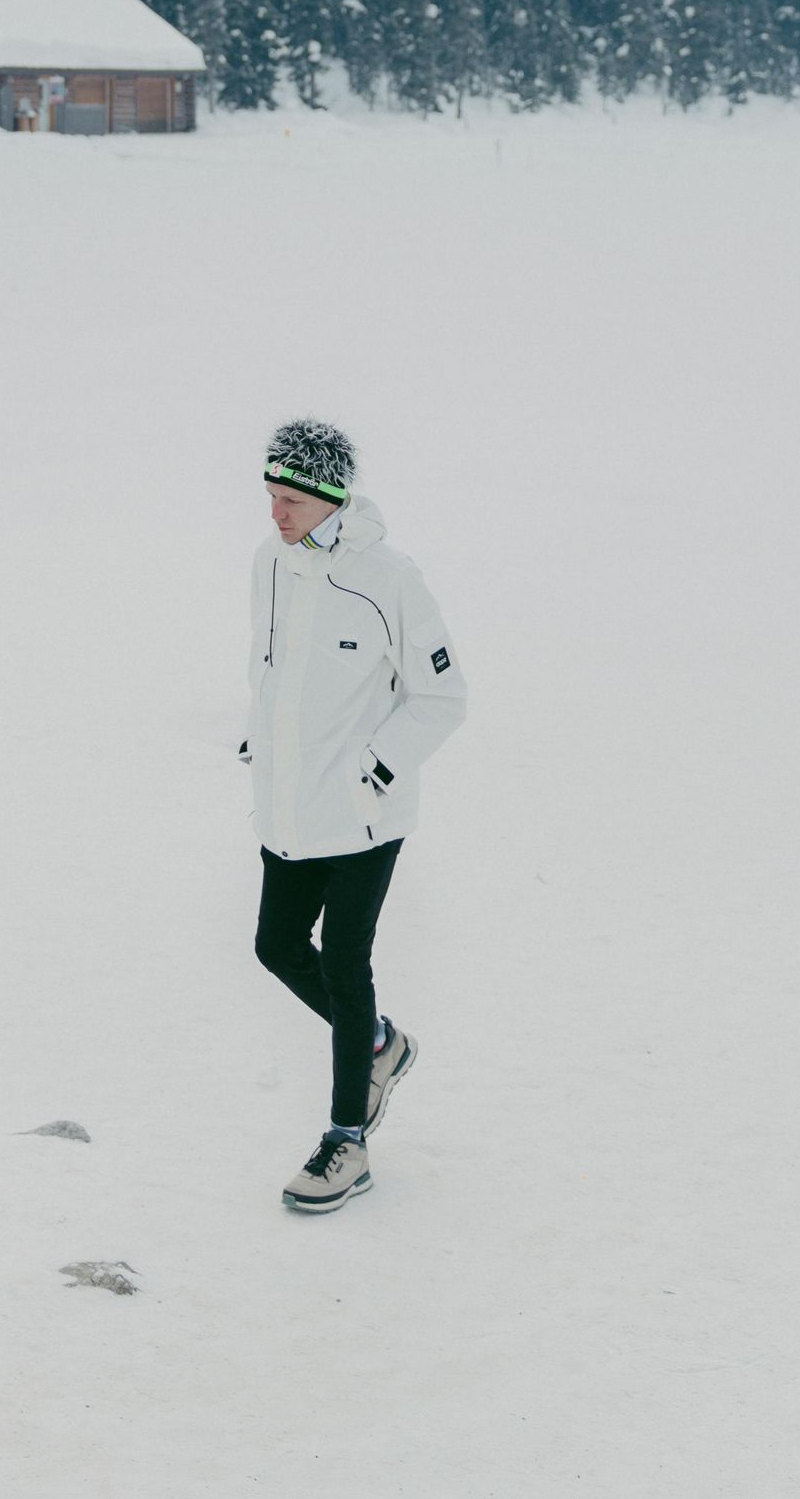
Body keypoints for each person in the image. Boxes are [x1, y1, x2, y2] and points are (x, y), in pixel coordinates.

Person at [240, 416, 467, 1213]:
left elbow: (441, 697)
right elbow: (273, 669)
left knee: (343, 961)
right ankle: (376, 1043)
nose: (277, 513)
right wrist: (259, 741)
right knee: (275, 946)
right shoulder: (271, 564)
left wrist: (374, 769)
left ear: (331, 498)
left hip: (366, 818)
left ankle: (347, 1141)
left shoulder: (391, 580)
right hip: (289, 806)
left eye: (291, 498)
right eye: (270, 496)